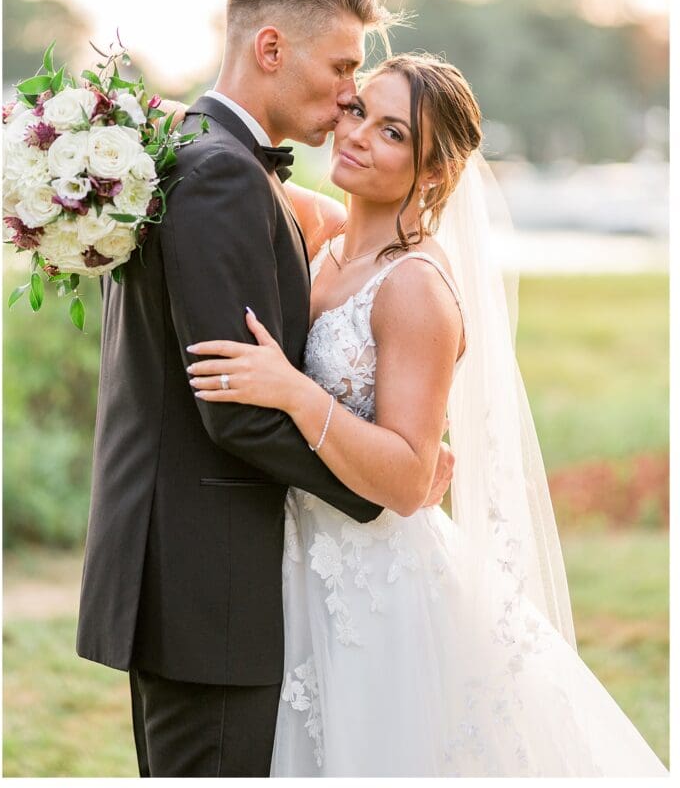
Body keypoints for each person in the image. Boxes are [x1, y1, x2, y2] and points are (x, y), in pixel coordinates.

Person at [186, 53, 669, 776]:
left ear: (434, 172)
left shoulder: (414, 288)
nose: (354, 136)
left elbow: (413, 479)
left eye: (391, 134)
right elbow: (227, 163)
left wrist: (293, 390)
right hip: (302, 563)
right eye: (356, 112)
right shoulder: (328, 239)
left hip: (376, 586)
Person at [76, 0, 455, 778]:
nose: (353, 92)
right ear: (271, 49)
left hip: (203, 581)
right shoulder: (219, 173)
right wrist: (384, 489)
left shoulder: (204, 157)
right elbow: (236, 405)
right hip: (208, 589)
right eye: (344, 65)